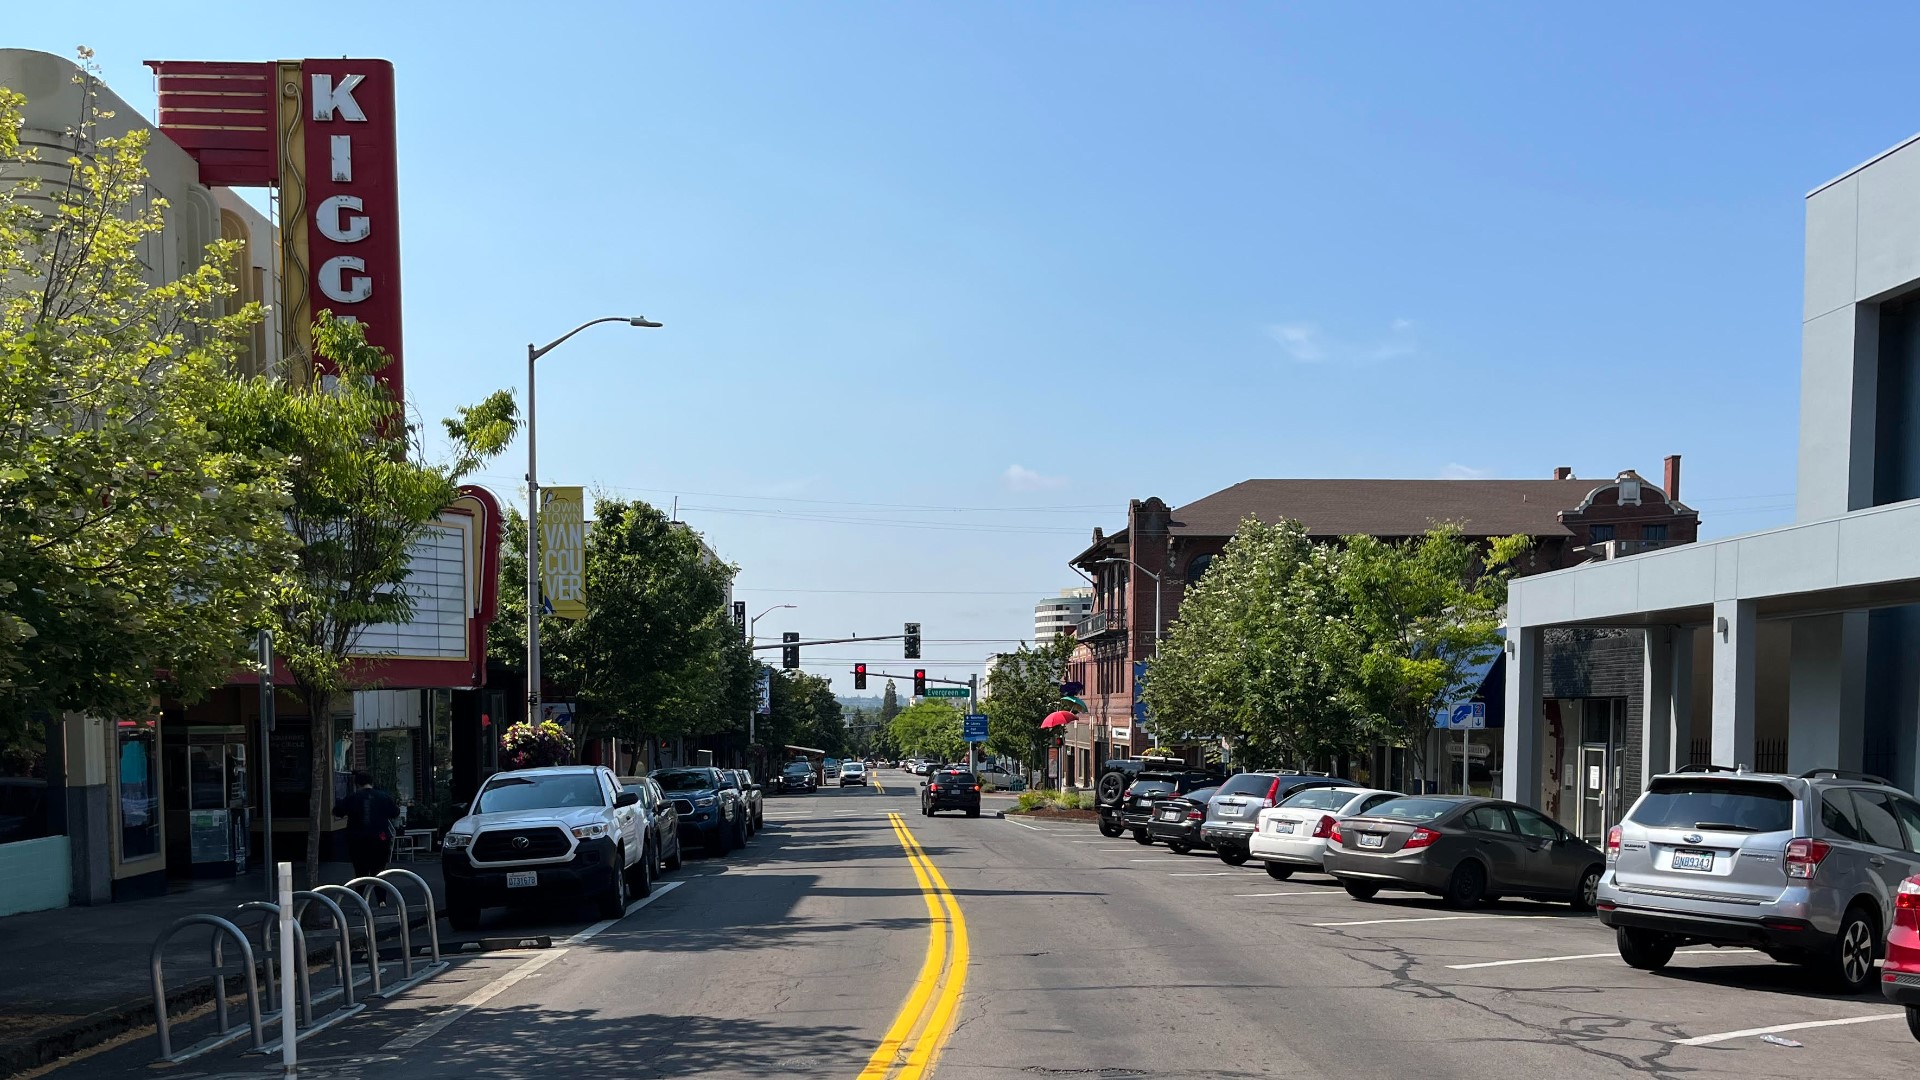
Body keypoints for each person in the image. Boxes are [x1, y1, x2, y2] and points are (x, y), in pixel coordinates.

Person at [333, 770, 400, 885]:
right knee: (379, 872)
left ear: (357, 784)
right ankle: (381, 900)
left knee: (360, 872)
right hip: (380, 838)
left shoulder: (353, 797)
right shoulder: (383, 796)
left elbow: (337, 811)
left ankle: (361, 898)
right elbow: (395, 812)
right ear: (371, 782)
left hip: (358, 839)